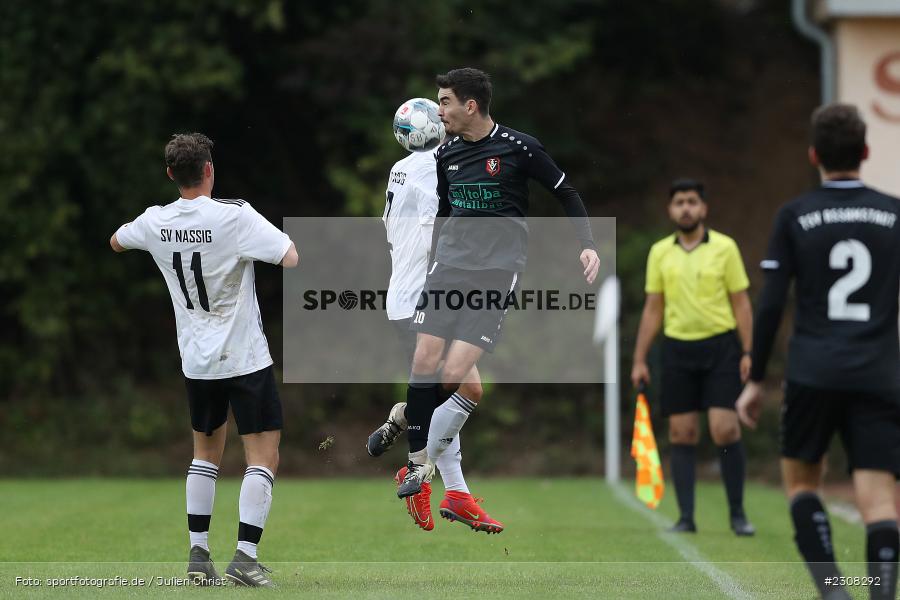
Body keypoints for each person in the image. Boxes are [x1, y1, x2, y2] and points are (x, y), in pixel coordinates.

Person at [396, 67, 600, 500]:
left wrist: (586, 244)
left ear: (471, 106)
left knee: (452, 374)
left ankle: (402, 416)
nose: (439, 110)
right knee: (424, 358)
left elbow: (566, 191)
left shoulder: (519, 147)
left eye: (445, 101)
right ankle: (417, 463)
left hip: (495, 274)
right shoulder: (447, 154)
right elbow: (447, 213)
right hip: (448, 268)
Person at [109, 133, 299, 587]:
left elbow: (116, 241)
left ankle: (198, 556)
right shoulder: (235, 216)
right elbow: (290, 258)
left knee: (204, 456)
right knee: (262, 457)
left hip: (196, 362)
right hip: (245, 358)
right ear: (209, 170)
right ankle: (246, 558)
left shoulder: (156, 221)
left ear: (171, 174)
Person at [737, 103, 899, 600]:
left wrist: (756, 377)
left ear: (814, 155)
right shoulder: (894, 214)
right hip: (878, 373)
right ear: (866, 152)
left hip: (812, 371)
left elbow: (770, 304)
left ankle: (833, 591)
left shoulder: (795, 215)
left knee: (803, 486)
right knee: (880, 503)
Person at [366, 127, 503, 533]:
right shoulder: (435, 167)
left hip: (413, 292)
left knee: (452, 391)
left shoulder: (400, 167)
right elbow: (444, 221)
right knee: (467, 389)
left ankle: (455, 491)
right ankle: (419, 463)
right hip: (425, 294)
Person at [630, 178, 755, 536]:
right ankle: (686, 518)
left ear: (704, 208)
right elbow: (654, 309)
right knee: (681, 433)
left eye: (692, 202)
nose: (686, 207)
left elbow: (741, 303)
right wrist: (639, 359)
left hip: (720, 348)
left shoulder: (725, 248)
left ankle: (738, 514)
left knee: (724, 427)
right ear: (671, 210)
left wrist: (749, 352)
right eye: (679, 202)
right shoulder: (660, 252)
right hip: (677, 349)